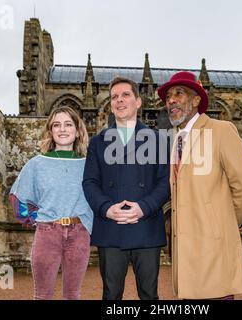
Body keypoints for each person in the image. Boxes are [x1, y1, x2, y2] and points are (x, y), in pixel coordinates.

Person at [157, 71, 242, 300]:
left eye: (178, 93)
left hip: (213, 253)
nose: (171, 100)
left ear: (196, 100)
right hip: (186, 257)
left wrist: (225, 223)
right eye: (168, 96)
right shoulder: (177, 140)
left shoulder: (221, 130)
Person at [83, 76, 170, 300]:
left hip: (146, 226)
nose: (119, 101)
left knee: (149, 295)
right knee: (111, 295)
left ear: (138, 102)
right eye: (114, 97)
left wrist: (144, 207)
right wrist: (106, 209)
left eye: (125, 95)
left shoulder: (158, 140)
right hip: (111, 228)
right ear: (110, 104)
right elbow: (89, 182)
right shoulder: (98, 142)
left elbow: (166, 181)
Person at [9, 106, 93, 300]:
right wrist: (33, 218)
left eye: (68, 124)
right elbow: (17, 196)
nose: (62, 129)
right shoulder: (37, 163)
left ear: (78, 130)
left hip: (79, 234)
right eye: (57, 125)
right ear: (50, 131)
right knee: (43, 295)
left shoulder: (89, 164)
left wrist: (89, 223)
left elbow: (98, 197)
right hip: (47, 233)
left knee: (72, 295)